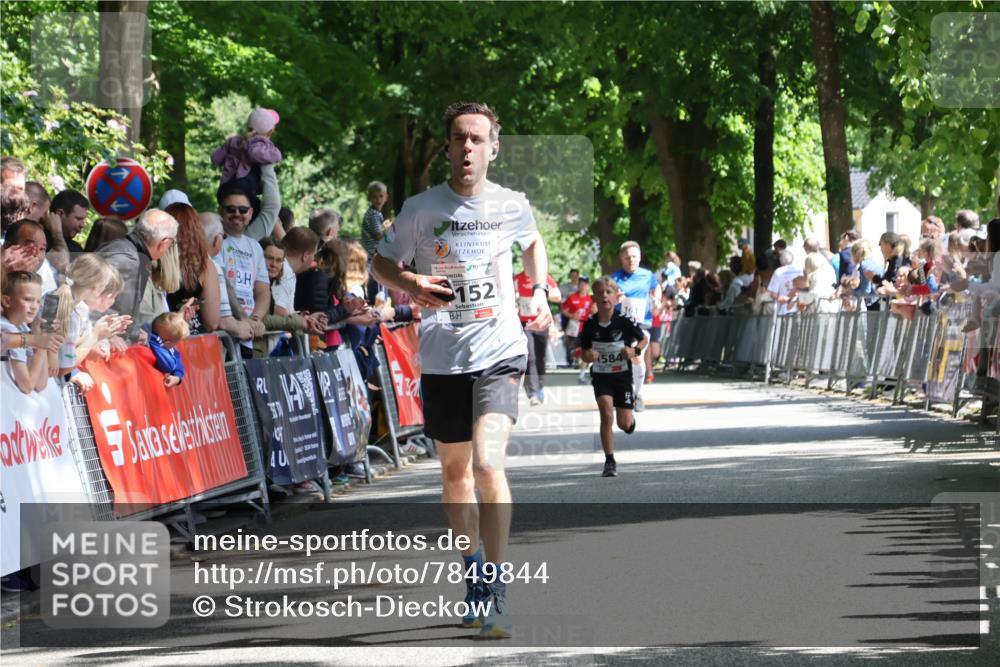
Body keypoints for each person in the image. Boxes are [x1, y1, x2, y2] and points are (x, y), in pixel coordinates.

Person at [373, 100, 552, 639]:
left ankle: (496, 582)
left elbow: (534, 245)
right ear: (448, 147)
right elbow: (383, 262)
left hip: (499, 351)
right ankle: (473, 568)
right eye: (459, 138)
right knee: (454, 475)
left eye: (478, 139)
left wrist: (538, 291)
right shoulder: (420, 209)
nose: (468, 147)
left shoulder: (511, 204)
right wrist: (409, 284)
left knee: (488, 463)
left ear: (493, 148)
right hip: (442, 356)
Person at [579, 276, 645, 478]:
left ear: (616, 297)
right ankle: (609, 461)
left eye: (608, 292)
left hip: (622, 375)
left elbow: (642, 340)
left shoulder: (624, 322)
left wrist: (634, 352)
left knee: (623, 424)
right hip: (601, 375)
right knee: (606, 414)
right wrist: (588, 356)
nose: (604, 296)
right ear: (594, 298)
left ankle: (630, 420)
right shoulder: (589, 325)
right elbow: (584, 352)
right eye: (600, 293)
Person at [97, 209, 179, 342]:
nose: (170, 247)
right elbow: (91, 300)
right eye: (172, 243)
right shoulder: (127, 260)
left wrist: (134, 332)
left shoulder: (127, 251)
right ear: (163, 243)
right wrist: (109, 336)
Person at [215, 184, 271, 355]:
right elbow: (223, 284)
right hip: (223, 332)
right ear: (221, 211)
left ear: (251, 213)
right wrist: (243, 318)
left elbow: (262, 290)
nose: (237, 214)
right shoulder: (216, 240)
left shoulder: (255, 246)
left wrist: (255, 319)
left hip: (248, 334)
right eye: (231, 209)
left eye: (243, 209)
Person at [611, 241, 660, 412]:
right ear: (621, 259)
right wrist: (614, 299)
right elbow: (606, 298)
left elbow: (656, 288)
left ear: (639, 257)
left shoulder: (647, 275)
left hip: (642, 323)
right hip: (621, 325)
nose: (631, 260)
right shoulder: (614, 278)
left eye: (634, 256)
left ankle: (638, 395)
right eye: (627, 257)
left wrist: (657, 300)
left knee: (637, 354)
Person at [163, 203, 222, 334]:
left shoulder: (156, 260)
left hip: (161, 336)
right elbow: (212, 322)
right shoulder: (204, 265)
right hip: (192, 337)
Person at [211, 107, 282, 215]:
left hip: (223, 189)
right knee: (262, 212)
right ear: (269, 132)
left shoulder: (233, 140)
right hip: (242, 191)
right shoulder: (259, 144)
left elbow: (215, 158)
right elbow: (272, 156)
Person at [514, 265, 560, 405]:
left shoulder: (543, 278)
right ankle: (532, 392)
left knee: (540, 357)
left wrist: (541, 293)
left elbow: (558, 296)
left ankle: (540, 386)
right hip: (525, 323)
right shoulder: (517, 278)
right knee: (530, 356)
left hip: (541, 322)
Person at [1, 271, 49, 393]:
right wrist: (40, 344)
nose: (34, 307)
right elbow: (27, 386)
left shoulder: (22, 328)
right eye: (28, 300)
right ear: (7, 301)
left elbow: (40, 384)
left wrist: (39, 336)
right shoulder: (8, 329)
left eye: (38, 301)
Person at [560, 275, 594, 383]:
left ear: (588, 286)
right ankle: (576, 360)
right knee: (575, 349)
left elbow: (595, 311)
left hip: (587, 327)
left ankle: (582, 375)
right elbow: (564, 309)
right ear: (578, 286)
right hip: (574, 327)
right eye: (581, 284)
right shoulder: (572, 297)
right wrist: (571, 315)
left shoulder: (591, 299)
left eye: (585, 285)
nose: (583, 286)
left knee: (587, 350)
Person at [144, 311, 189, 387]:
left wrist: (177, 377)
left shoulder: (170, 349)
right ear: (168, 343)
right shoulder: (149, 338)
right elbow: (169, 366)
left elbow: (177, 360)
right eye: (176, 342)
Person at [49, 189, 90, 255]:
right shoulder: (37, 239)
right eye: (79, 219)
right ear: (59, 214)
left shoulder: (76, 250)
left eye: (83, 220)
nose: (82, 225)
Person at [767, 249, 801, 314]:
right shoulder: (800, 270)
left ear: (780, 260)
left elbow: (773, 294)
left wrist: (779, 297)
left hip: (783, 308)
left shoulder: (778, 272)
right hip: (798, 307)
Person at [361, 181, 390, 257]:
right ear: (369, 198)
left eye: (381, 196)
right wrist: (389, 229)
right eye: (374, 196)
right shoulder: (373, 214)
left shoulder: (375, 212)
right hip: (372, 252)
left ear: (386, 197)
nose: (378, 199)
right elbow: (378, 236)